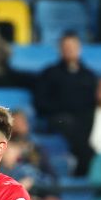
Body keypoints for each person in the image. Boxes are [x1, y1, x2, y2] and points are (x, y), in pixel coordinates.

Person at [34, 32, 97, 176]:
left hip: (85, 120)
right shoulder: (49, 73)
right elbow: (41, 102)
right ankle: (88, 161)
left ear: (79, 48)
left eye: (73, 46)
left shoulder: (89, 75)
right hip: (59, 119)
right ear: (60, 49)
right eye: (66, 46)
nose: (70, 50)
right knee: (68, 123)